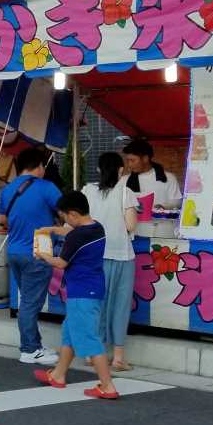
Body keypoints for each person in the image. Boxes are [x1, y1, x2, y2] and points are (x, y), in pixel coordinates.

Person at [34, 191, 119, 400]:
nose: (64, 221)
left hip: (81, 292)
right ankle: (58, 375)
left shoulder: (76, 236)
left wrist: (43, 255)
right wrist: (53, 229)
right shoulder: (96, 227)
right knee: (70, 332)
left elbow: (61, 263)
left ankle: (107, 386)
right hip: (93, 288)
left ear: (72, 214)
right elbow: (70, 232)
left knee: (89, 337)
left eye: (64, 216)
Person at [0, 148, 62, 365]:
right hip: (38, 252)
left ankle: (34, 343)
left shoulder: (7, 190)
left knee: (27, 300)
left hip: (14, 251)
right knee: (30, 304)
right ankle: (29, 349)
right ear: (39, 166)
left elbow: (2, 218)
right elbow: (65, 212)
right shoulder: (47, 188)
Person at [82, 152, 138, 372]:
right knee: (120, 305)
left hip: (93, 255)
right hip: (121, 255)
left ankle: (92, 354)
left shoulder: (87, 191)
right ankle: (118, 358)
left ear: (98, 170)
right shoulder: (126, 192)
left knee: (96, 305)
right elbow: (131, 225)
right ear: (120, 170)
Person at [122, 139, 182, 210]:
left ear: (145, 158)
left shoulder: (168, 178)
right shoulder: (124, 180)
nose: (129, 164)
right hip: (133, 221)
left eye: (132, 160)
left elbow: (177, 202)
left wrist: (162, 206)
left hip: (162, 220)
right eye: (127, 161)